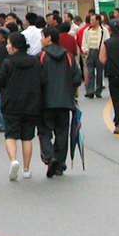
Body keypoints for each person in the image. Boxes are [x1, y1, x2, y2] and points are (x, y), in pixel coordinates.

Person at [0, 33, 41, 180]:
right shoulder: (34, 61)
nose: (7, 46)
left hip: (11, 103)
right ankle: (26, 169)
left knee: (11, 135)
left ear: (13, 46)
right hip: (31, 103)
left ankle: (14, 160)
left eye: (8, 43)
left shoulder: (8, 62)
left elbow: (0, 81)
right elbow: (42, 79)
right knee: (27, 137)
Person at [39, 27, 82, 177]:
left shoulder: (42, 56)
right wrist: (73, 93)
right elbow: (77, 77)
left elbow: (38, 78)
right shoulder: (68, 56)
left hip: (46, 102)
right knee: (62, 133)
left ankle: (49, 156)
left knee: (44, 131)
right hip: (65, 101)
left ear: (49, 38)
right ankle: (59, 163)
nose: (40, 40)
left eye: (42, 37)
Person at [81, 14, 108, 98]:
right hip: (90, 52)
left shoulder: (104, 30)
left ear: (98, 21)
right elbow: (84, 42)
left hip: (99, 51)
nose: (91, 22)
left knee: (100, 72)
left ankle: (98, 90)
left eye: (93, 20)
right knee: (90, 72)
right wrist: (85, 49)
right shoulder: (87, 30)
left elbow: (106, 41)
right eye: (90, 20)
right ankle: (90, 91)